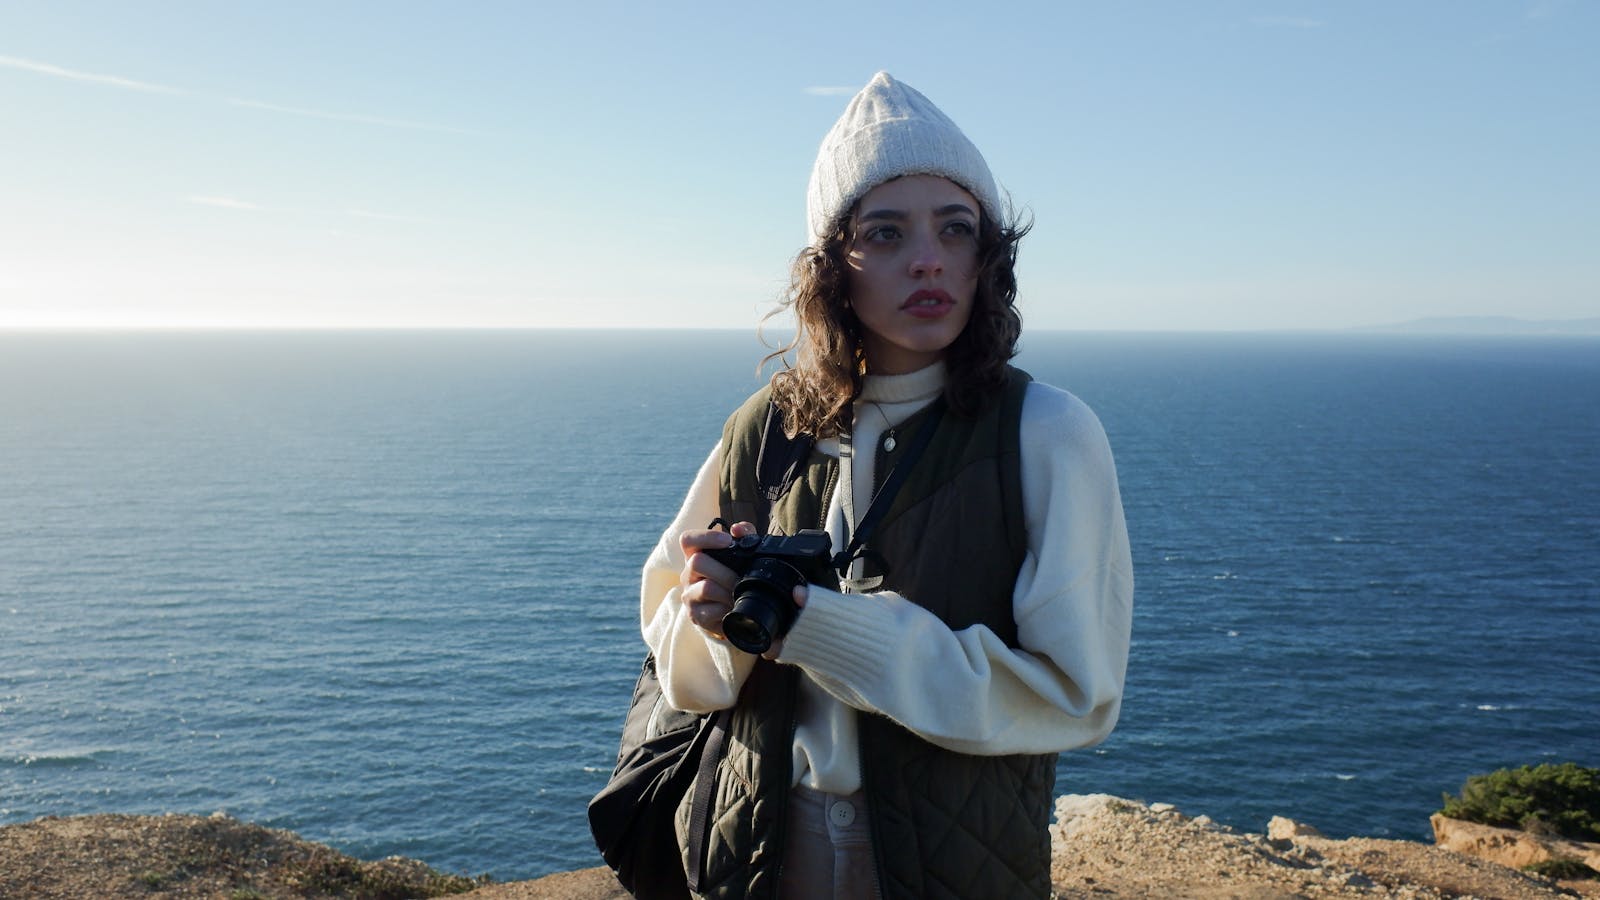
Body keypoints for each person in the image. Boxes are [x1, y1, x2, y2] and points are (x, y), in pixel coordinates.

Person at [639, 71, 1132, 900]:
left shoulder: (1047, 432)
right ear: (832, 266)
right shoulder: (769, 425)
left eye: (956, 229)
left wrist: (827, 631)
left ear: (988, 257)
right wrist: (710, 620)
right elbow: (676, 652)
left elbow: (1076, 696)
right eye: (887, 233)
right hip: (758, 847)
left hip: (949, 863)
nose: (929, 259)